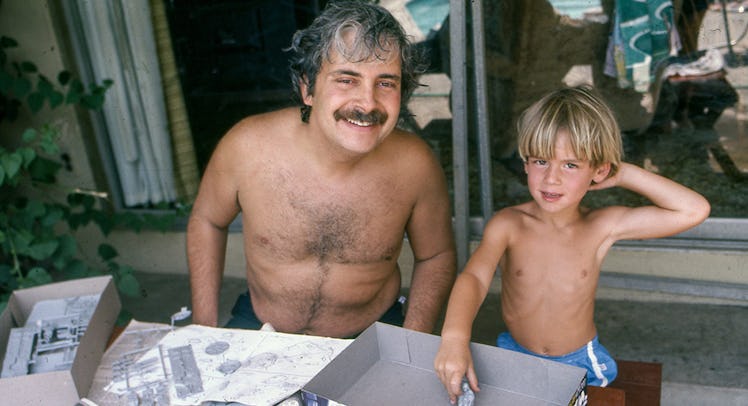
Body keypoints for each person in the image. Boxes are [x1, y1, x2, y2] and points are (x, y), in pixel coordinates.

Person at [186, 1, 456, 339]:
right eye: (347, 79)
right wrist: (203, 328)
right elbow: (208, 220)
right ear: (308, 88)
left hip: (372, 333)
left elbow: (436, 256)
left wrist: (411, 342)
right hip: (261, 326)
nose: (367, 102)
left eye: (386, 83)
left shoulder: (415, 165)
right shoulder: (247, 147)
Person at [434, 86, 710, 402]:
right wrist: (454, 337)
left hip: (581, 362)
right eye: (541, 161)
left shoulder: (601, 227)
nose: (552, 179)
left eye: (571, 165)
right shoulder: (508, 224)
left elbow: (693, 210)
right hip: (516, 352)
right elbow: (474, 278)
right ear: (525, 163)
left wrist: (624, 174)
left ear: (599, 170)